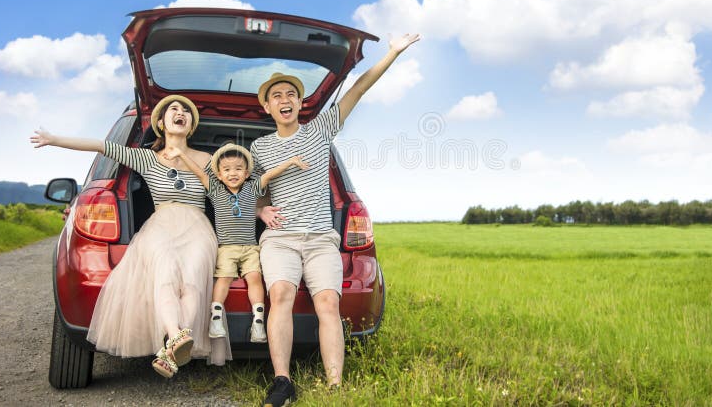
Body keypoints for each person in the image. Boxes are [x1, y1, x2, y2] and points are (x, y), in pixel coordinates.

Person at [251, 33, 421, 406]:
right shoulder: (259, 148)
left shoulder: (320, 131)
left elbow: (358, 90)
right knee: (279, 295)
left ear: (300, 103)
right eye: (276, 95)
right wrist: (261, 209)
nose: (285, 100)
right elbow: (250, 191)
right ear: (266, 106)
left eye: (291, 94)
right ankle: (283, 381)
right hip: (280, 240)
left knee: (328, 302)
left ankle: (334, 387)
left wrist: (392, 52)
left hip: (320, 239)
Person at [31, 95, 233, 378]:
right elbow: (101, 146)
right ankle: (176, 337)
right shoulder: (146, 157)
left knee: (193, 283)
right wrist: (54, 139)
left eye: (186, 111)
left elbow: (230, 189)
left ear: (190, 126)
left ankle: (170, 349)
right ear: (161, 123)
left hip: (198, 225)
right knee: (165, 276)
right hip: (161, 225)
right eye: (174, 109)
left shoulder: (208, 159)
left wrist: (184, 155)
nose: (181, 112)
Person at [163, 142, 309, 345]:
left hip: (250, 248)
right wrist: (181, 153)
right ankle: (216, 319)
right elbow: (199, 173)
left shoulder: (252, 188)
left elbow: (269, 175)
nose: (233, 173)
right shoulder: (215, 190)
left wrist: (290, 162)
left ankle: (258, 322)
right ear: (220, 175)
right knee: (223, 278)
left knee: (255, 278)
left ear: (247, 173)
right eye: (227, 170)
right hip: (226, 249)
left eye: (238, 169)